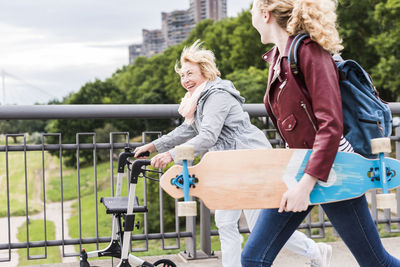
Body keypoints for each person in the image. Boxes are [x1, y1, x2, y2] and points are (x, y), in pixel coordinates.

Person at [134, 40, 331, 267]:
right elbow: (187, 130)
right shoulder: (196, 101)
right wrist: (154, 146)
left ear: (205, 72)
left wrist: (171, 156)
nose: (185, 79)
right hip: (228, 167)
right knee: (226, 222)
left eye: (190, 73)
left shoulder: (217, 95)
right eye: (182, 75)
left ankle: (315, 250)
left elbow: (207, 136)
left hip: (250, 162)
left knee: (260, 227)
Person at [242, 0, 400, 266]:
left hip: (334, 169)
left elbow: (331, 124)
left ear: (265, 14)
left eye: (253, 10)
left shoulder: (310, 52)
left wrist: (305, 184)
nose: (251, 16)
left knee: (376, 262)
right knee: (253, 258)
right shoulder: (277, 59)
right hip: (303, 168)